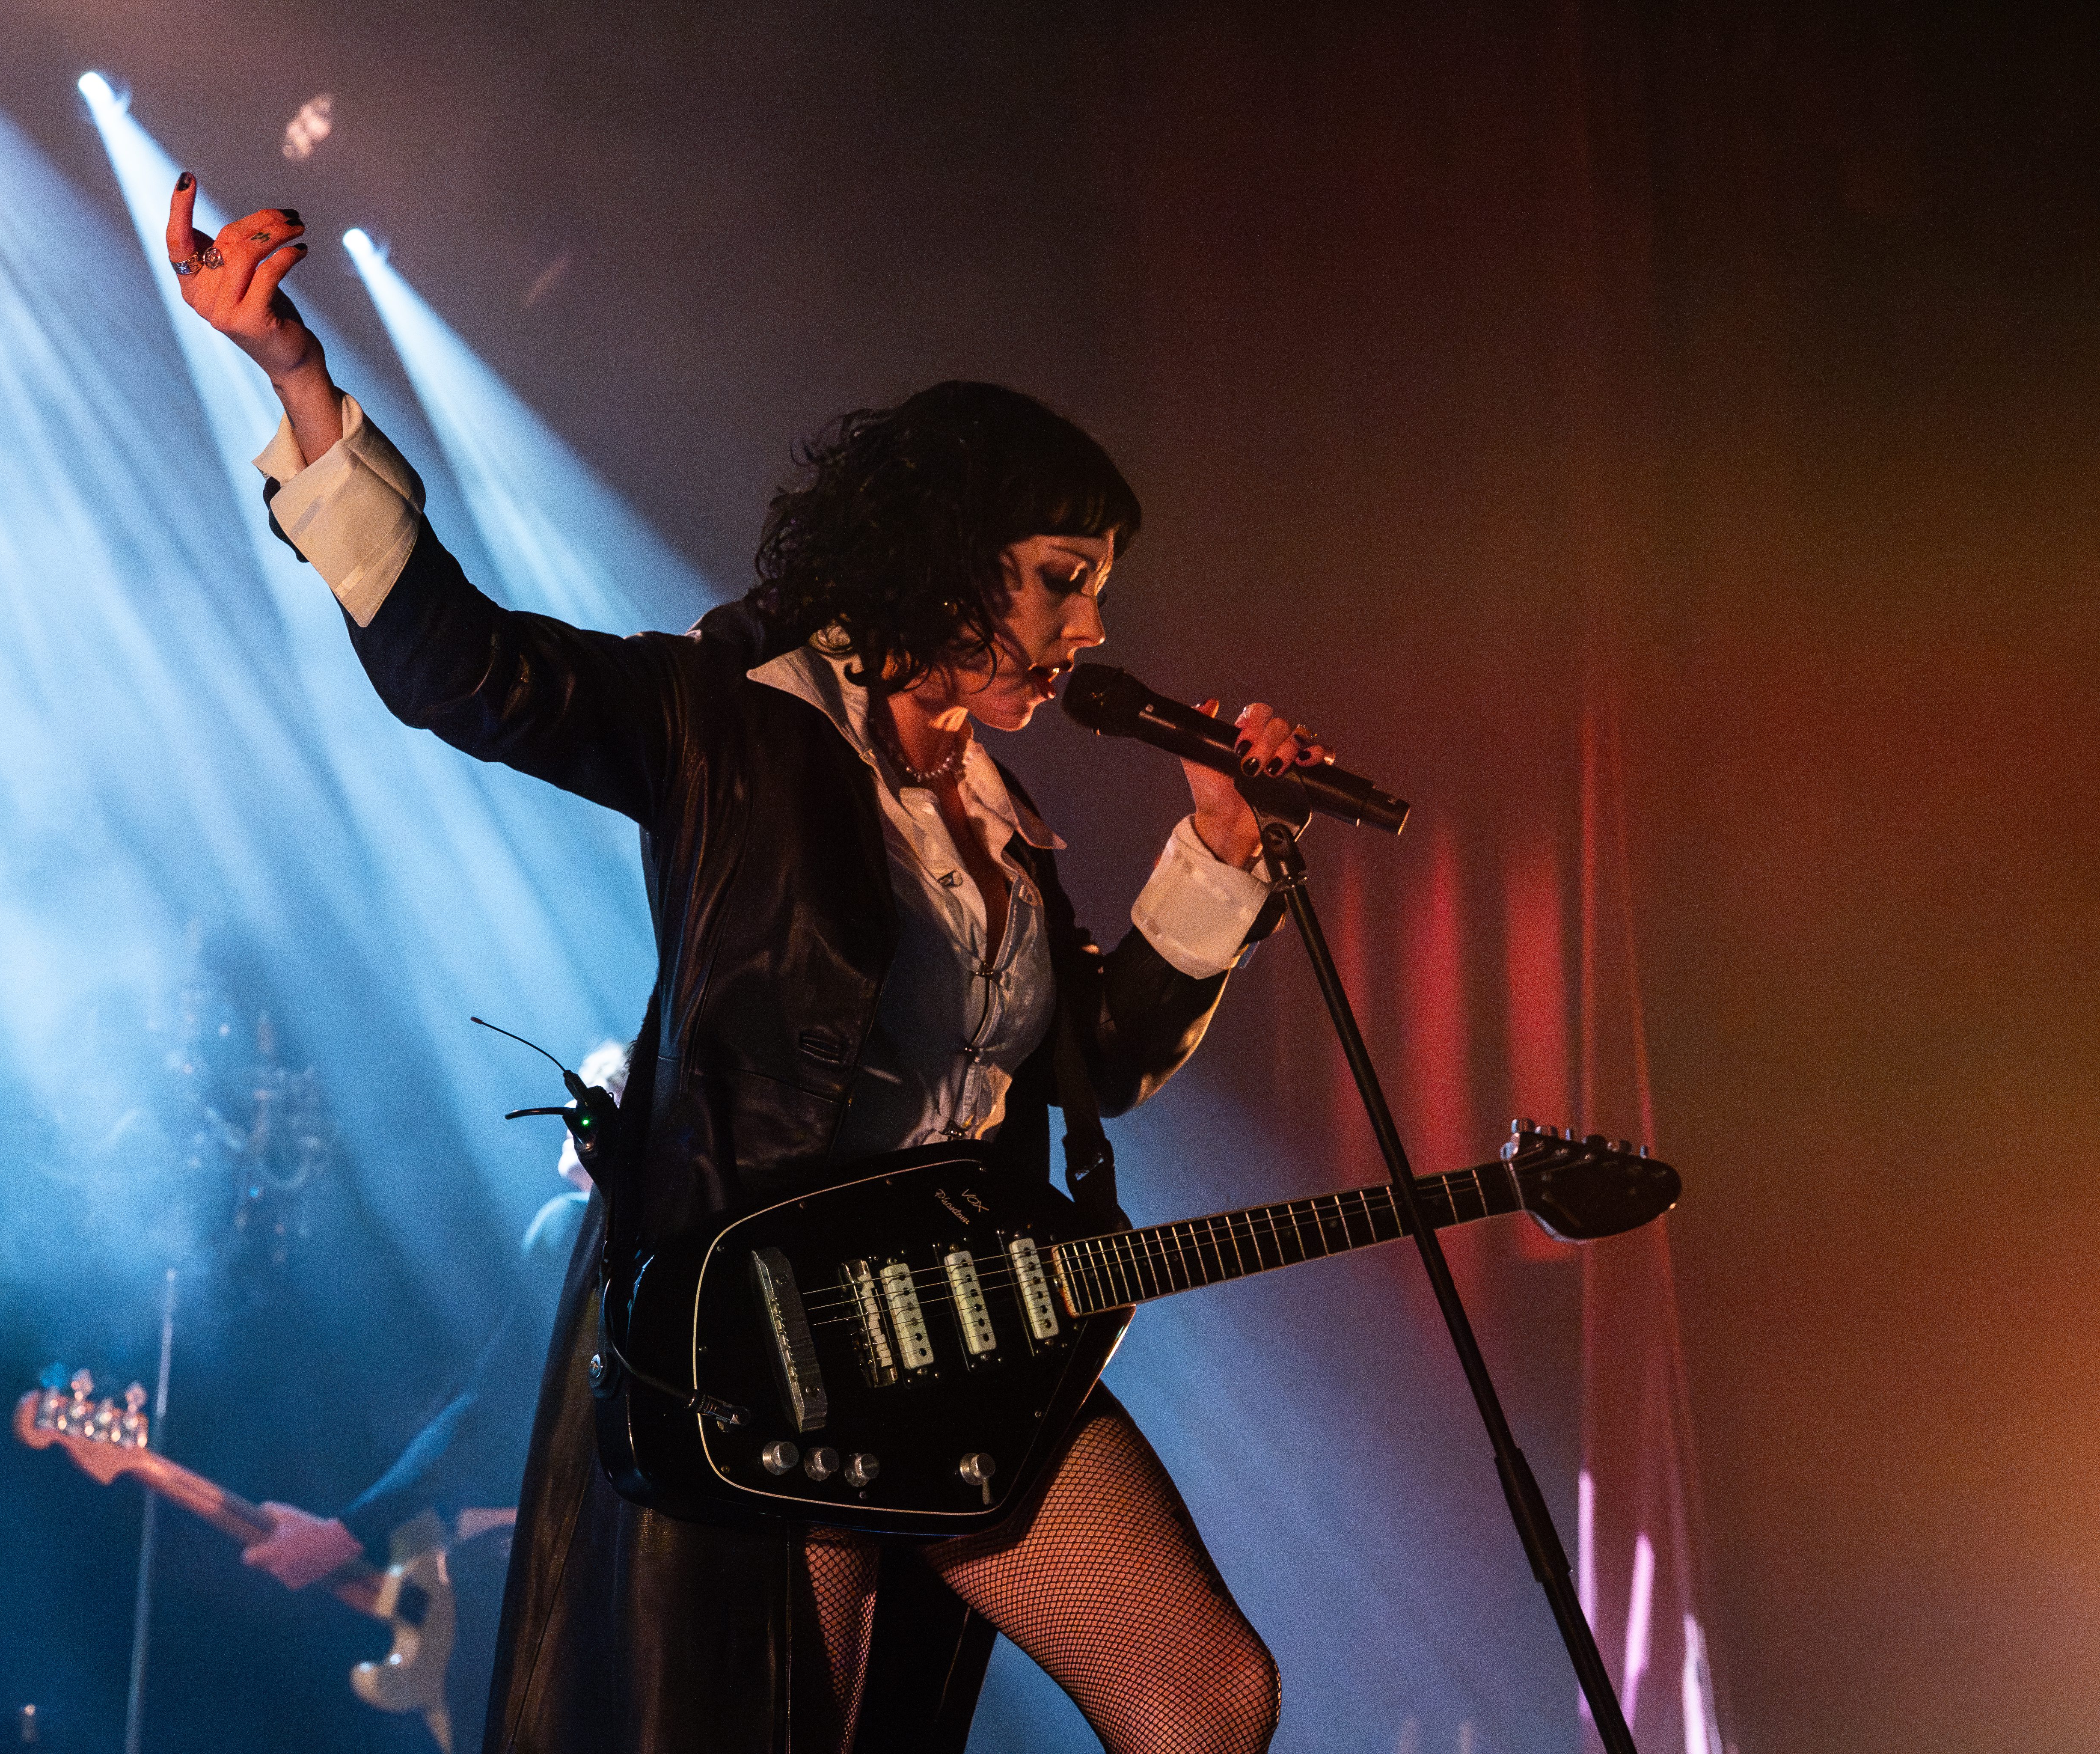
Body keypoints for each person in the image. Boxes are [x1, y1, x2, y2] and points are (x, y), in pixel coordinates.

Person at [167, 176, 1325, 1754]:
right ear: (944, 557)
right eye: (1062, 575)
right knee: (798, 1725)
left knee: (1205, 1691)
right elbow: (465, 667)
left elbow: (1097, 1063)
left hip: (959, 1322)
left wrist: (1223, 851)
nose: (1087, 626)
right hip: (778, 1326)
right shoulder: (737, 720)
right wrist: (299, 382)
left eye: (1100, 589)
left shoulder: (997, 813)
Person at [240, 1042, 622, 1752]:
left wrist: (342, 1532)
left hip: (532, 1576)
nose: (570, 1113)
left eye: (588, 1098)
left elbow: (492, 1404)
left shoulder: (573, 1226)